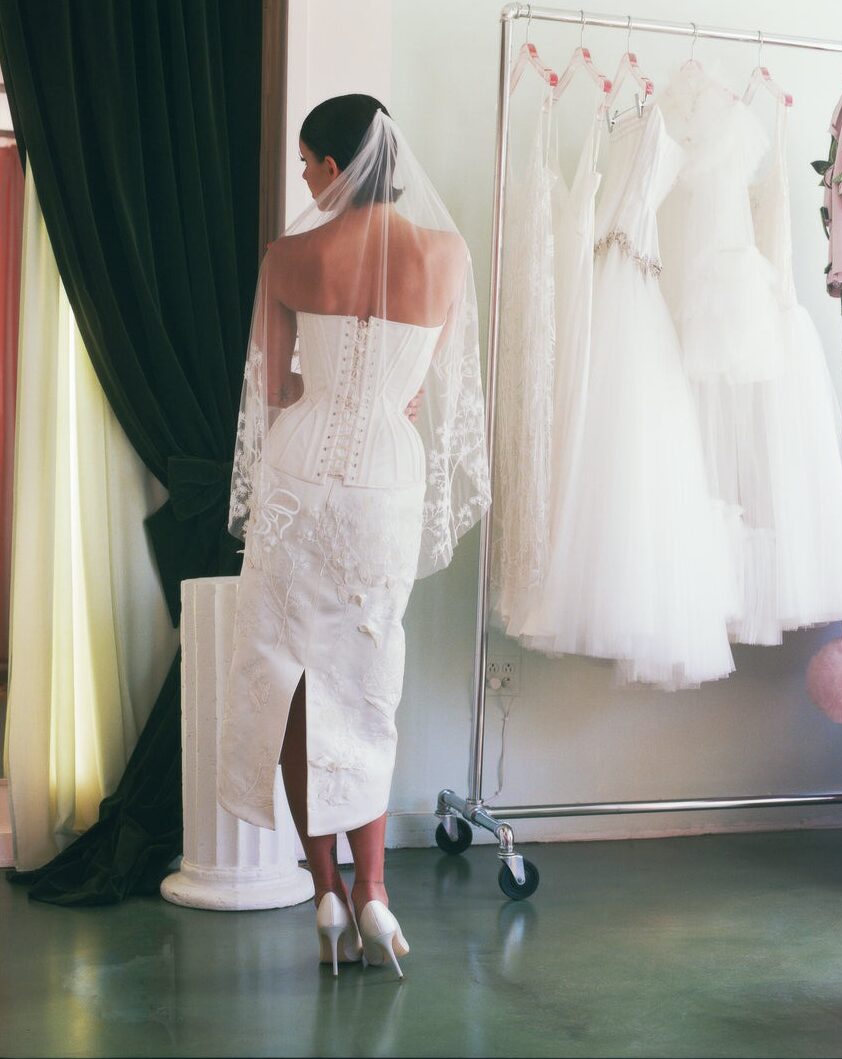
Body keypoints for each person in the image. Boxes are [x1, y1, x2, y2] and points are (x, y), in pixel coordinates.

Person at [218, 95, 491, 978]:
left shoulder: (290, 257)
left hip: (301, 477)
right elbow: (431, 392)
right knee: (369, 684)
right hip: (385, 479)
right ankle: (376, 896)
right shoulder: (445, 254)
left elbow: (269, 397)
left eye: (307, 163)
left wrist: (318, 398)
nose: (302, 178)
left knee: (296, 680)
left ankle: (326, 888)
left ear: (336, 167)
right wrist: (389, 400)